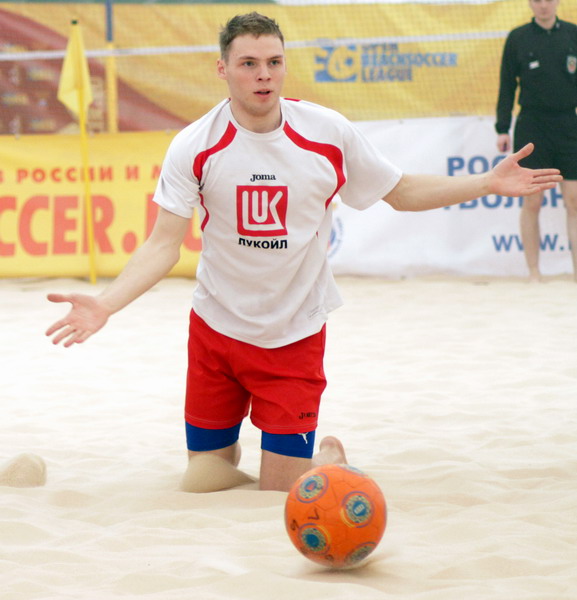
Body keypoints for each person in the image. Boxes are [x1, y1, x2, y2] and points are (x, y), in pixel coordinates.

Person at [46, 12, 561, 492]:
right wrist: (106, 304)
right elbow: (163, 244)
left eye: (274, 62)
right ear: (223, 69)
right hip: (216, 331)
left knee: (280, 491)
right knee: (203, 479)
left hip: (294, 334)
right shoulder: (194, 145)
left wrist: (486, 182)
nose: (263, 75)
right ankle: (296, 462)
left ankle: (325, 461)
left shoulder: (327, 133)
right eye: (249, 63)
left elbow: (401, 192)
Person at [495, 0, 577, 282]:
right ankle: (533, 272)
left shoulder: (573, 34)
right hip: (532, 126)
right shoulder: (518, 37)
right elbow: (507, 84)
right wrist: (502, 128)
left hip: (568, 124)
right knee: (532, 201)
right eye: (537, 0)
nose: (543, 5)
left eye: (549, 0)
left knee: (574, 201)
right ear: (530, 3)